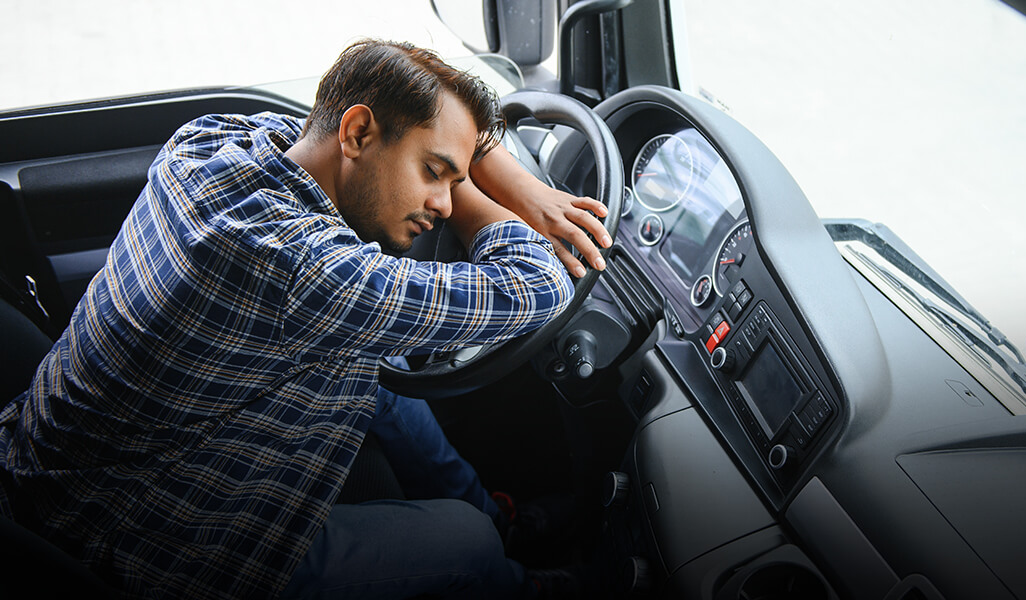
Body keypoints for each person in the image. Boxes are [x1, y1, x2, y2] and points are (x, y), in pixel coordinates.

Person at [0, 39, 609, 599]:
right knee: (466, 542)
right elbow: (538, 286)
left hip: (56, 470)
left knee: (382, 380)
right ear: (357, 133)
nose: (445, 204)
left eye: (454, 177)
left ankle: (506, 522)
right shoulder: (307, 273)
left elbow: (356, 100)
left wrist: (493, 174)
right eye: (433, 172)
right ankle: (524, 578)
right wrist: (517, 198)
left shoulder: (211, 142)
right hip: (151, 548)